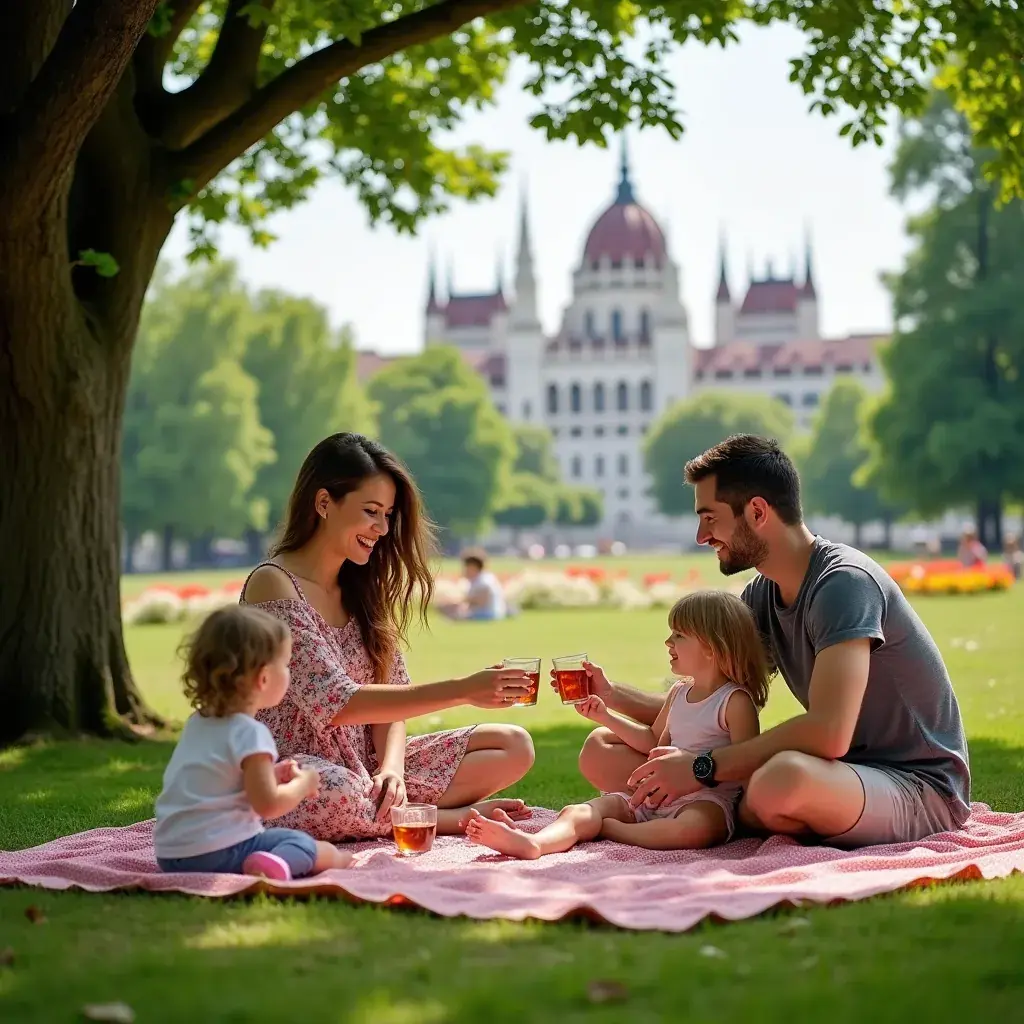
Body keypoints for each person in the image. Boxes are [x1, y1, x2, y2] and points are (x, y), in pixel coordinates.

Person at [574, 434, 971, 848]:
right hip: (840, 776)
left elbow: (828, 732)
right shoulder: (762, 596)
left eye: (710, 518)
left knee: (781, 780)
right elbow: (702, 706)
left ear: (758, 511)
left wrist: (701, 768)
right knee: (602, 750)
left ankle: (721, 812)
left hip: (917, 788)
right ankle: (718, 813)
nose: (700, 535)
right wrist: (611, 696)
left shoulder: (843, 584)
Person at [240, 432, 536, 841]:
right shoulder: (272, 585)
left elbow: (391, 697)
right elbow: (338, 703)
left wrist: (392, 770)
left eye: (388, 514)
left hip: (366, 766)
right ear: (324, 503)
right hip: (292, 768)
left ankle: (389, 805)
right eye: (371, 511)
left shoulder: (362, 589)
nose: (381, 528)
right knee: (335, 792)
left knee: (512, 745)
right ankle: (442, 818)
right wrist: (465, 689)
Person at [466, 591, 770, 859]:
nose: (668, 642)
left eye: (679, 635)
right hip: (653, 796)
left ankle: (611, 831)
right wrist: (605, 717)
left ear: (711, 647)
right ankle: (535, 843)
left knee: (694, 830)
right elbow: (653, 741)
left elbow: (745, 767)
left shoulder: (734, 701)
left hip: (707, 801)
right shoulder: (680, 692)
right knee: (584, 811)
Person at [154, 605, 354, 881]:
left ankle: (278, 861)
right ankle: (281, 866)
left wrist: (271, 775)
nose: (289, 672)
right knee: (306, 845)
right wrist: (302, 785)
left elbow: (220, 779)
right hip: (219, 852)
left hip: (172, 855)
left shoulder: (198, 722)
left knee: (294, 842)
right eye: (285, 664)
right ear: (263, 678)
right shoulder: (251, 733)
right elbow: (268, 806)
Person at [439, 549, 508, 621]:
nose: (464, 570)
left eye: (466, 566)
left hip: (489, 614)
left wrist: (458, 602)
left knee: (456, 615)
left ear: (473, 567)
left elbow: (481, 601)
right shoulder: (476, 580)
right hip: (486, 613)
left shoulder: (484, 580)